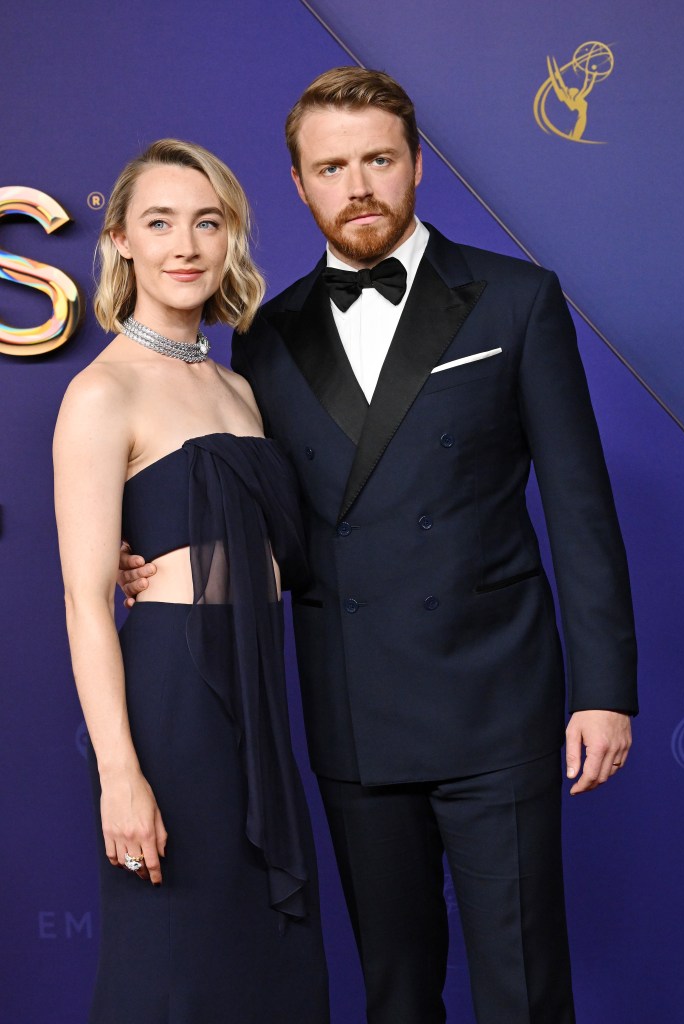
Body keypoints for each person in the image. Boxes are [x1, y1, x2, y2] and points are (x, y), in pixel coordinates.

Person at [122, 69, 637, 1024]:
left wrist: (603, 690)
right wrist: (157, 554)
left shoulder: (514, 299)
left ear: (415, 166)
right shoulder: (265, 336)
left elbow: (580, 507)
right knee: (395, 992)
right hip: (352, 704)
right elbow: (263, 504)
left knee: (523, 989)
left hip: (498, 699)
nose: (356, 185)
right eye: (331, 166)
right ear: (298, 183)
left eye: (376, 160)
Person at [54, 138, 329, 1024]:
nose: (185, 245)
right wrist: (119, 773)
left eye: (206, 222)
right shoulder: (103, 394)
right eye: (160, 222)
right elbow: (86, 600)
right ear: (122, 241)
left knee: (263, 963)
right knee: (172, 960)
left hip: (257, 689)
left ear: (230, 238)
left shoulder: (237, 388)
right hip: (170, 699)